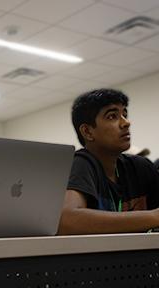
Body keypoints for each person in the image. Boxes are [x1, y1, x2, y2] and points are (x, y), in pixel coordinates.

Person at [58, 88, 159, 235]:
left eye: (124, 114)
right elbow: (67, 220)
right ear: (87, 132)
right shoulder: (82, 163)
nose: (126, 123)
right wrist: (154, 217)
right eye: (112, 116)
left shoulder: (141, 167)